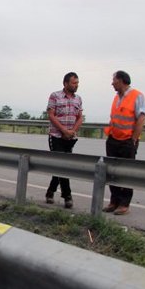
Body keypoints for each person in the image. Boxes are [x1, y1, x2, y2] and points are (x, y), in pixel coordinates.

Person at [102, 70, 145, 216]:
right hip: (113, 139)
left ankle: (124, 203)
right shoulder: (116, 97)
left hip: (127, 141)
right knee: (112, 172)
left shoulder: (137, 96)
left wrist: (134, 138)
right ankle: (114, 201)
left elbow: (141, 118)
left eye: (114, 80)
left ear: (121, 80)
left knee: (126, 173)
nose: (112, 83)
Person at [45, 72, 83, 208]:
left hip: (70, 138)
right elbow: (51, 115)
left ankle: (50, 192)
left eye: (77, 83)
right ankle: (67, 196)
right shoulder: (55, 96)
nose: (76, 85)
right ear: (65, 83)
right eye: (74, 83)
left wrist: (72, 131)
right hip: (56, 136)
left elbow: (80, 117)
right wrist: (63, 130)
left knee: (61, 165)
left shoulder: (78, 99)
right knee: (62, 165)